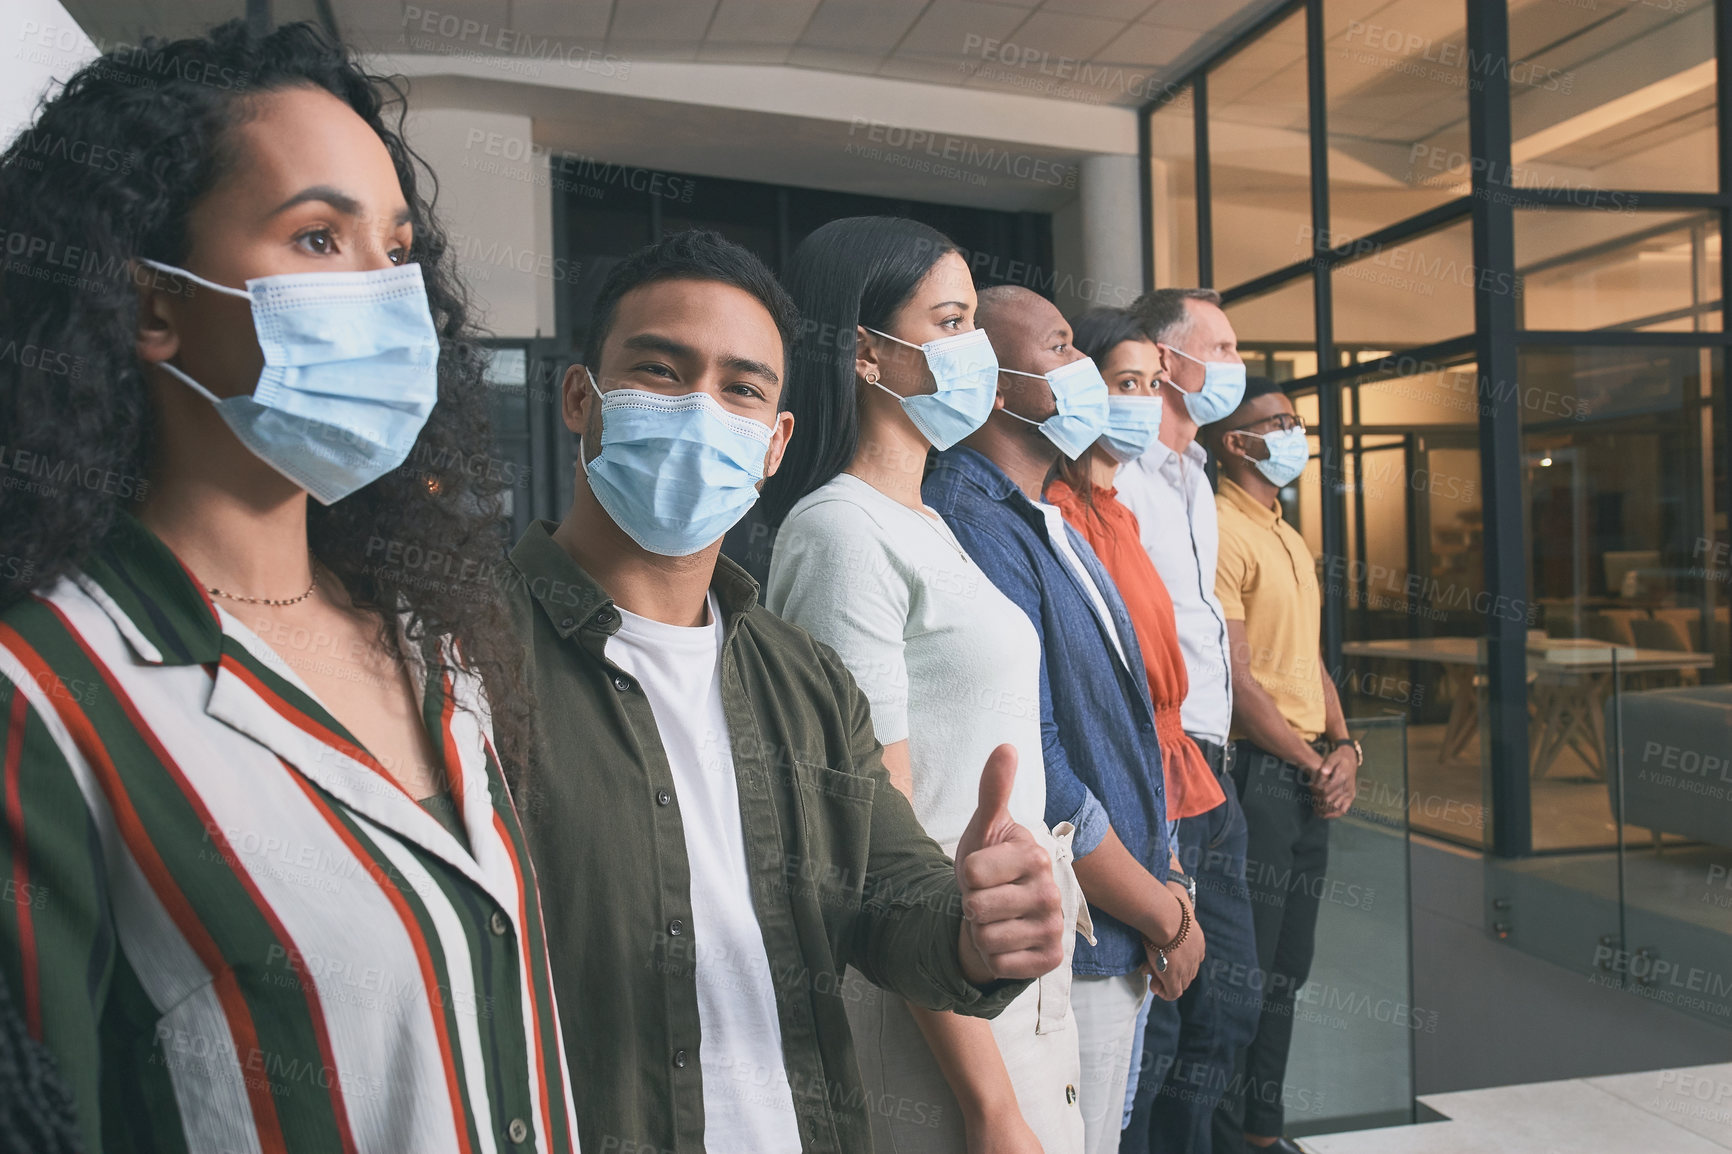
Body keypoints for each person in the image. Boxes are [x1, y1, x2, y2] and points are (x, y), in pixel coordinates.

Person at [0, 22, 577, 1152]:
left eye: (395, 248)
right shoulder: (40, 698)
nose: (386, 295)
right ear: (153, 306)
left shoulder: (433, 647)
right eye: (318, 237)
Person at [506, 228, 1067, 1154]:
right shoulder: (470, 657)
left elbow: (888, 899)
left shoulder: (803, 682)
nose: (699, 409)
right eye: (658, 369)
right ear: (581, 397)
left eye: (740, 387)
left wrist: (976, 929)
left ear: (775, 443)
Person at [762, 217, 1088, 1154]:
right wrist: (990, 1108)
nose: (975, 349)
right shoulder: (840, 533)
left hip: (1002, 965)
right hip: (940, 1008)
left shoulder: (922, 520)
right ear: (865, 352)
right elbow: (881, 837)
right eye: (949, 321)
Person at [924, 285, 1203, 1154]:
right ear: (997, 386)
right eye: (1060, 348)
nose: (1087, 369)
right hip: (1083, 931)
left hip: (1130, 917)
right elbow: (1041, 763)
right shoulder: (973, 520)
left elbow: (1125, 727)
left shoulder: (1044, 514)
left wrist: (1171, 882)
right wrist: (1164, 914)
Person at [1044, 307, 1262, 1154]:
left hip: (1197, 776)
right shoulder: (1062, 512)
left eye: (1146, 384)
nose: (1141, 400)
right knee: (1155, 1034)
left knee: (1225, 1008)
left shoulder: (1131, 508)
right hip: (1141, 790)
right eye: (1122, 383)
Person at [1113, 289, 1263, 1152]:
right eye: (1226, 345)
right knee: (1160, 1021)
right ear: (1170, 361)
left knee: (1229, 1006)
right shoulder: (1121, 472)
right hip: (1156, 767)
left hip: (1211, 765)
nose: (1237, 364)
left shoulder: (1198, 473)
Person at [1203, 377, 1361, 1154]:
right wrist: (1311, 761)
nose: (1295, 433)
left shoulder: (1286, 532)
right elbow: (1237, 683)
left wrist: (1347, 746)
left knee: (1288, 973)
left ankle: (1265, 1135)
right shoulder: (1223, 530)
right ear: (1236, 442)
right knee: (1248, 977)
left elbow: (1309, 664)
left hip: (1304, 773)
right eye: (1280, 422)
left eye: (1296, 421)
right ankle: (1227, 1140)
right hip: (1261, 779)